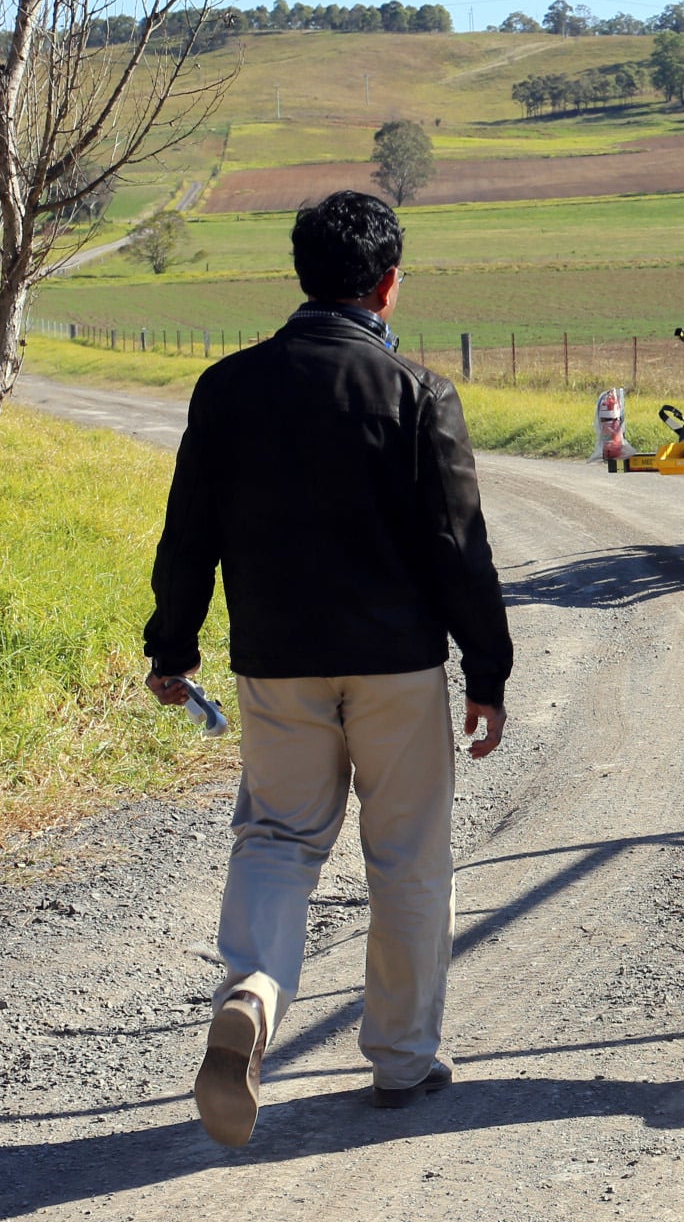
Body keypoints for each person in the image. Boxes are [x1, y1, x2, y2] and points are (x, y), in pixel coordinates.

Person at [144, 190, 513, 1147]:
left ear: (300, 274)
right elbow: (458, 546)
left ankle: (256, 994)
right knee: (406, 857)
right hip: (396, 668)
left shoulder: (227, 388)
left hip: (278, 665)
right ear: (388, 285)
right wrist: (489, 671)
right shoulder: (419, 393)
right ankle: (400, 1060)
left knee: (275, 837)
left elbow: (190, 536)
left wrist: (172, 649)